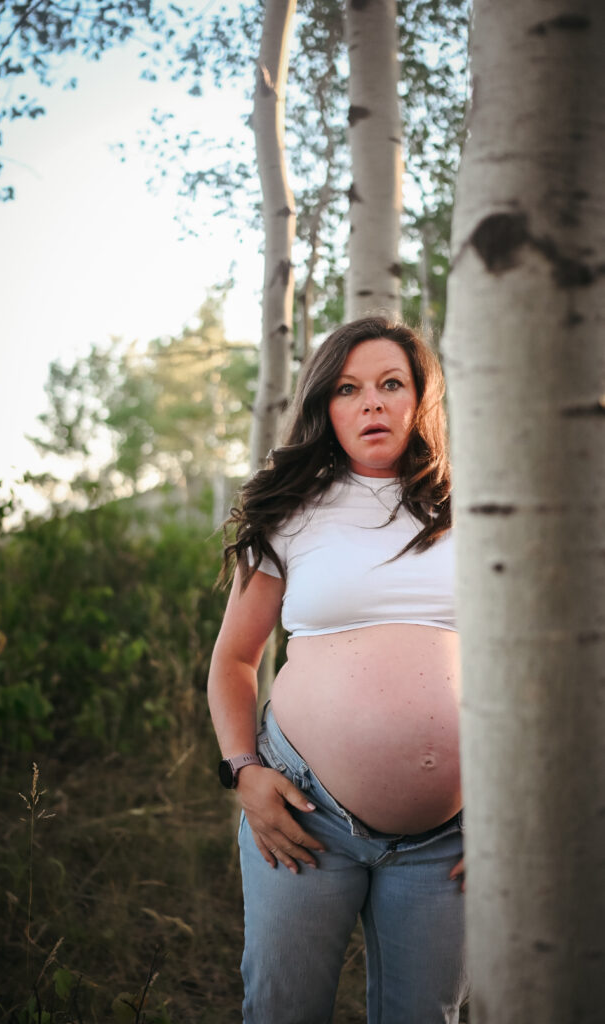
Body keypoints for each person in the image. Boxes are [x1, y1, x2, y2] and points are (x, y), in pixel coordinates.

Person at [208, 315, 468, 1024]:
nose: (372, 403)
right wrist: (243, 771)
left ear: (421, 399)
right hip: (303, 817)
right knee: (282, 1010)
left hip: (450, 836)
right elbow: (233, 660)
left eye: (391, 383)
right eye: (349, 389)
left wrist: (508, 811)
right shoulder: (290, 511)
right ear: (327, 407)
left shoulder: (475, 510)